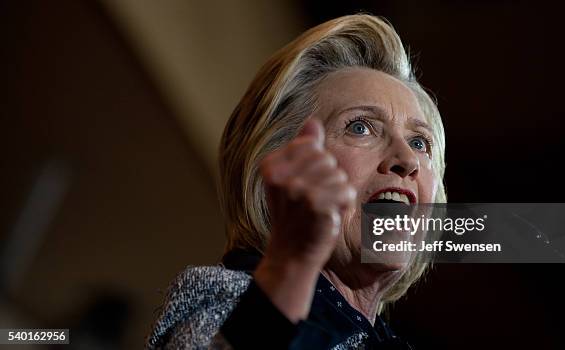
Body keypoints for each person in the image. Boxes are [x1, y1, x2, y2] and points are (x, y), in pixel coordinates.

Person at [147, 14, 446, 349]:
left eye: (420, 143)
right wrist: (291, 266)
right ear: (280, 168)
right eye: (360, 127)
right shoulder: (230, 302)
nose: (407, 160)